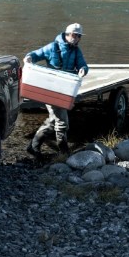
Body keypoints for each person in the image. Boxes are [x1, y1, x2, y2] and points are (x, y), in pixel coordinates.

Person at [24, 22, 89, 159]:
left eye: (79, 36)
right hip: (51, 88)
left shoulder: (76, 51)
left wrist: (83, 69)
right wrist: (29, 57)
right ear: (66, 35)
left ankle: (33, 147)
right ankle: (64, 151)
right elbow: (36, 54)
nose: (76, 38)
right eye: (74, 35)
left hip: (66, 90)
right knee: (62, 121)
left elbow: (82, 64)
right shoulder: (52, 47)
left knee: (54, 120)